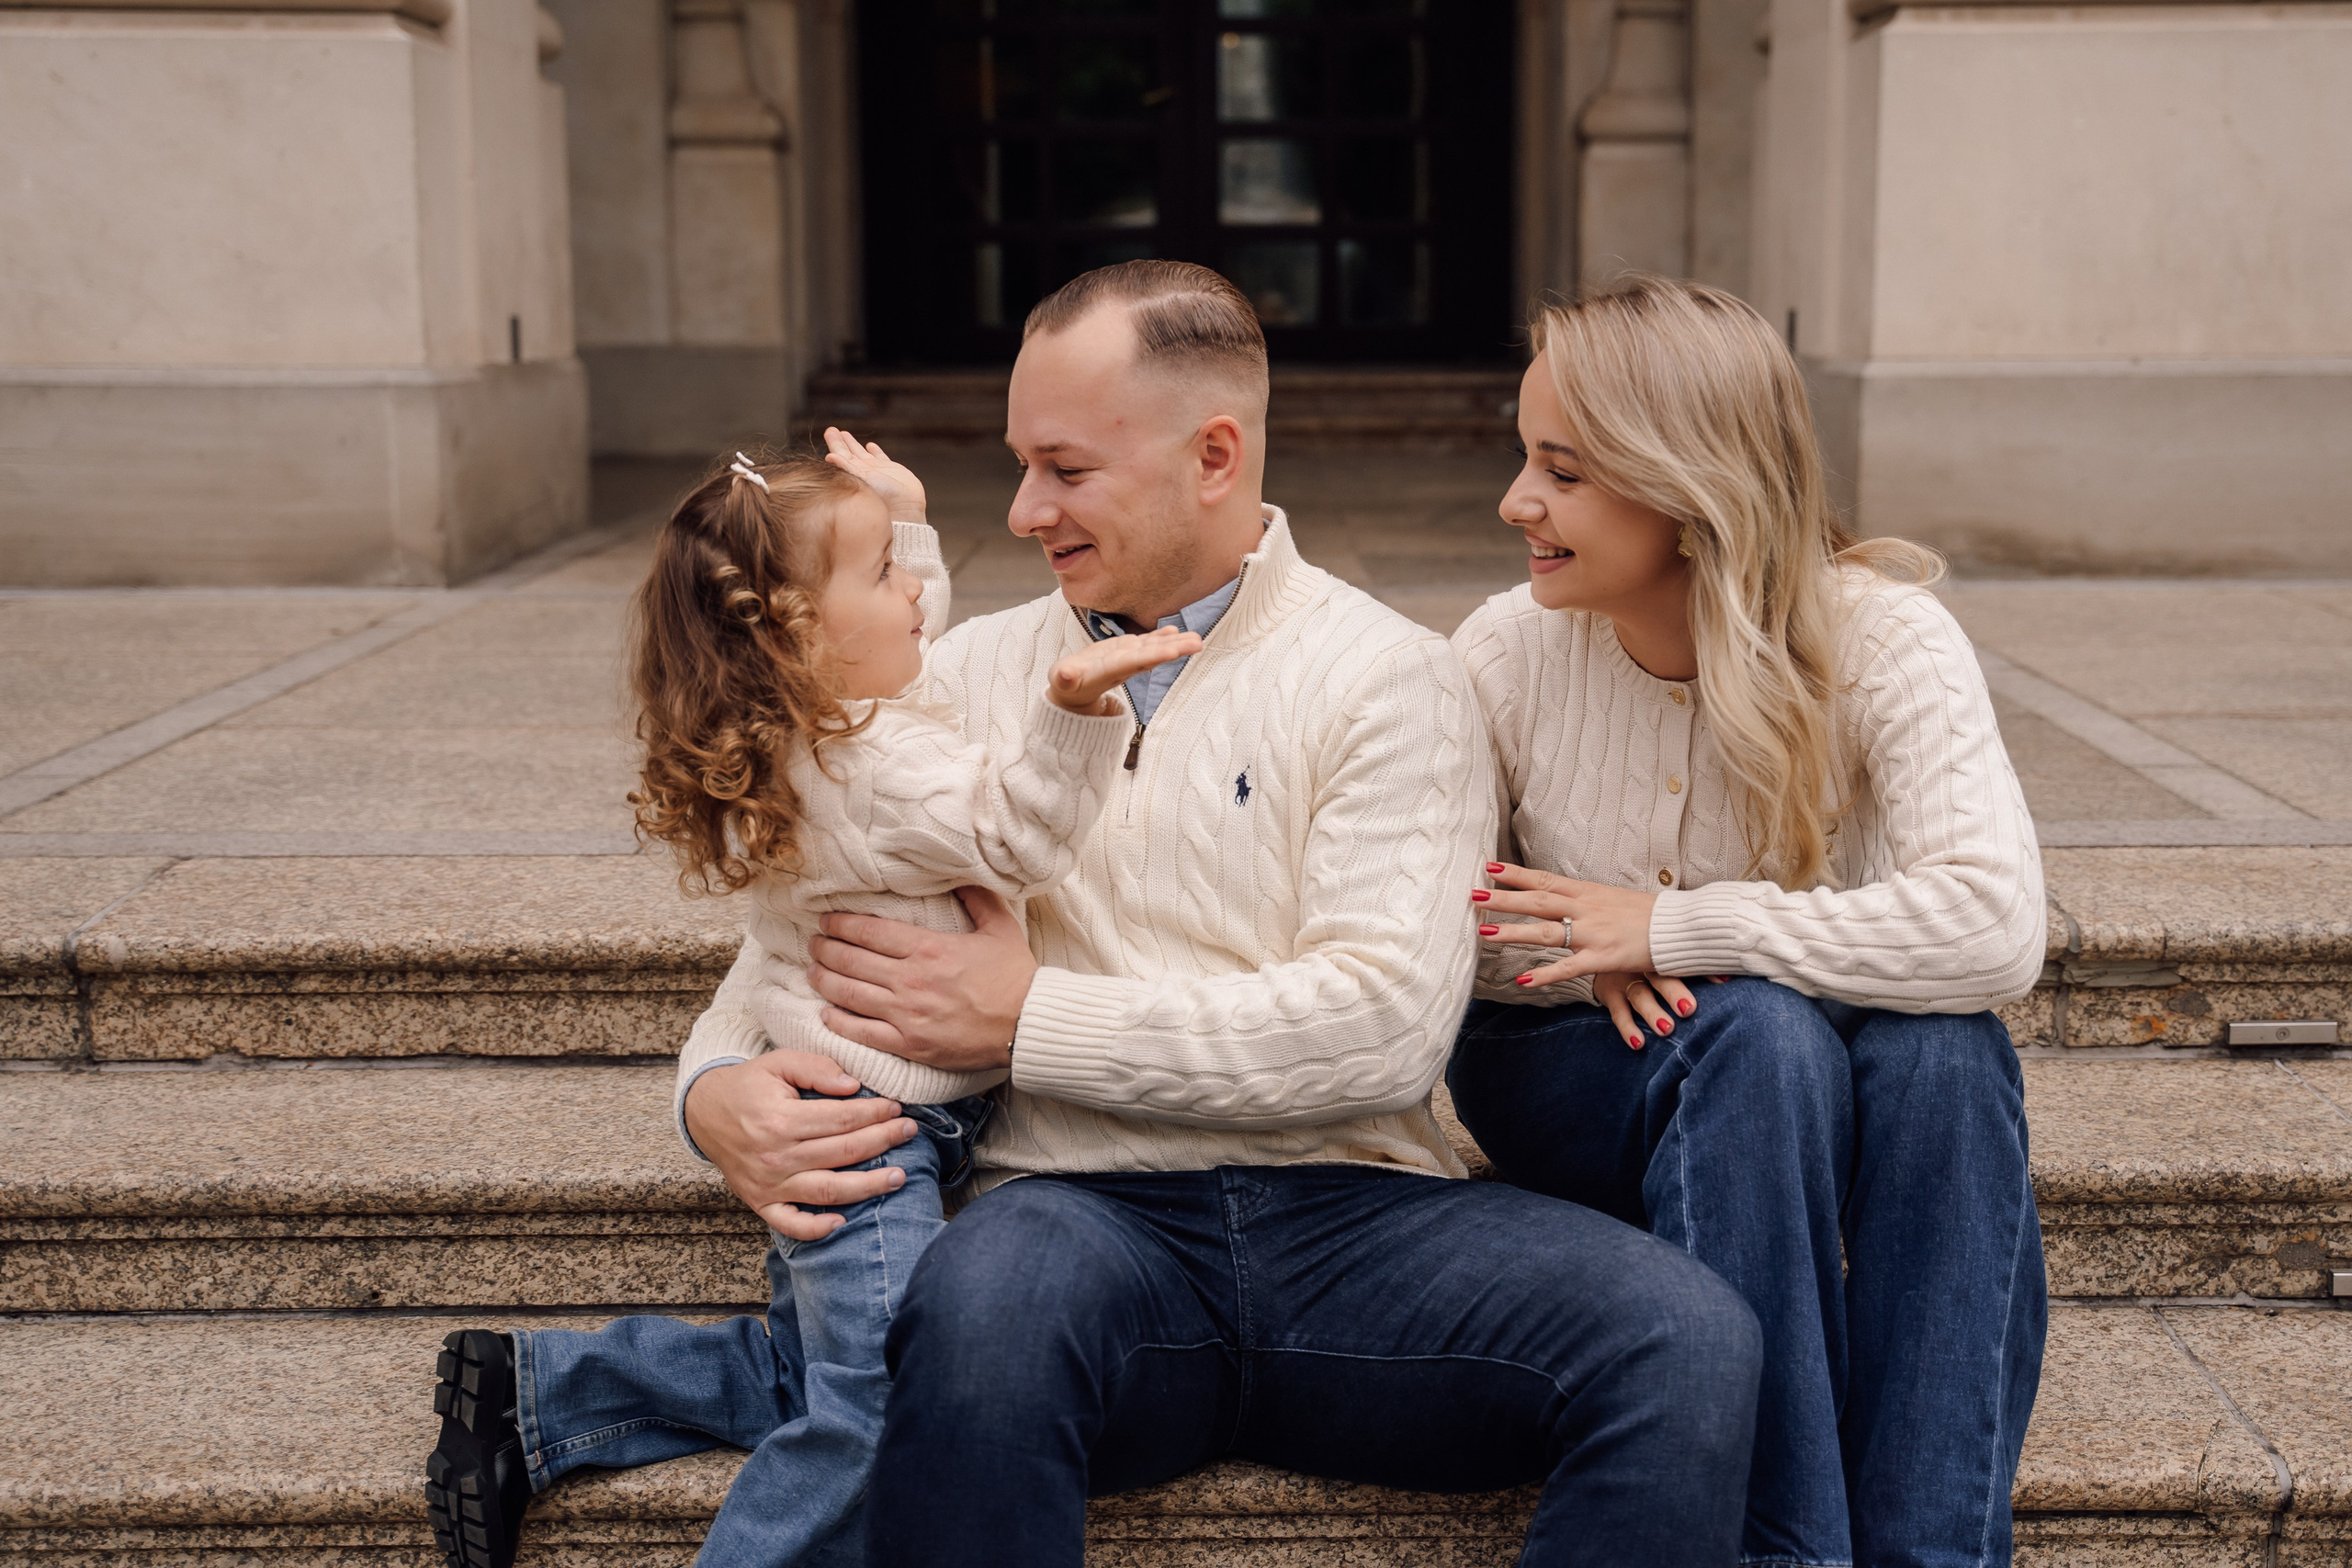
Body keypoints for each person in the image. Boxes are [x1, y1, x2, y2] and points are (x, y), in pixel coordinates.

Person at [765, 260, 1764, 1568]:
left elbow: (1384, 1029)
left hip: (1368, 1222)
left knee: (1687, 1335)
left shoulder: (1388, 676)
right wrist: (712, 1090)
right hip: (1078, 1215)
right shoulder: (956, 676)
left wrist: (1031, 1016)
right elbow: (791, 930)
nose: (1021, 510)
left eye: (1063, 467)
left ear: (1213, 453)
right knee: (980, 1302)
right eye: (1021, 465)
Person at [420, 435, 1199, 1568]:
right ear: (797, 631)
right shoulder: (870, 765)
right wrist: (1076, 711)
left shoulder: (809, 732)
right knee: (882, 1405)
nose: (917, 594)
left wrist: (904, 527)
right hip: (874, 1136)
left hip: (843, 1100)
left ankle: (542, 1397)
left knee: (808, 1370)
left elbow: (903, 662)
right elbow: (1018, 834)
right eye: (887, 574)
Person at [1444, 276, 2047, 1568]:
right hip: (1567, 1076)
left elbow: (1995, 927)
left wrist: (1675, 929)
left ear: (1686, 485)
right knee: (1758, 1036)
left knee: (1943, 1056)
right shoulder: (1503, 652)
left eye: (1561, 470)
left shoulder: (1883, 638)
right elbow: (1420, 914)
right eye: (1523, 459)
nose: (1515, 503)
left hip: (1825, 1077)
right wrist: (1580, 947)